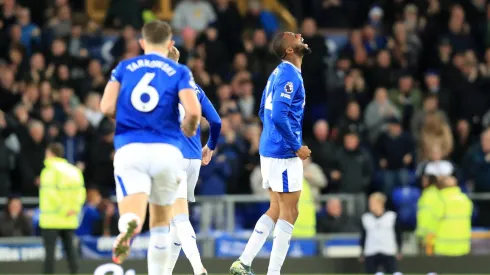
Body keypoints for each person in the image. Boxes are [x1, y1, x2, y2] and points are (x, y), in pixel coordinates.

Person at [99, 20, 202, 275]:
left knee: (133, 211)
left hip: (130, 148)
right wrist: (188, 129)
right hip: (166, 151)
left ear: (142, 43)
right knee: (160, 223)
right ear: (170, 44)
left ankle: (129, 225)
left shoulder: (123, 68)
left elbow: (106, 107)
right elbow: (193, 112)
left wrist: (127, 118)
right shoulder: (179, 72)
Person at [230, 31, 312, 275]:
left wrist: (271, 139)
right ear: (289, 50)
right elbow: (276, 114)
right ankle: (273, 272)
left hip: (270, 149)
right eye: (294, 36)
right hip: (283, 152)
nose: (299, 35)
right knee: (291, 211)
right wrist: (294, 144)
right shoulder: (289, 76)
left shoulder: (277, 73)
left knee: (276, 208)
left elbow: (262, 111)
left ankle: (243, 261)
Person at [164, 47, 222, 275]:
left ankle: (198, 268)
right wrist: (211, 147)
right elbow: (216, 121)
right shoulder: (193, 87)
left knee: (179, 216)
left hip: (173, 157)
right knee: (175, 221)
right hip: (194, 158)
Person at [39, 143, 86, 274]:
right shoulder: (74, 171)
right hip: (69, 218)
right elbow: (80, 192)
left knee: (50, 254)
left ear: (50, 154)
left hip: (51, 219)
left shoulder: (49, 171)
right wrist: (74, 209)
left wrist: (63, 208)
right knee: (71, 251)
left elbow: (51, 193)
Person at [427, 176, 472, 256]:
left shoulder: (440, 200)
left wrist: (429, 242)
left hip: (443, 248)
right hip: (462, 247)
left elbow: (432, 224)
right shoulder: (465, 200)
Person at [360, 192, 402, 274]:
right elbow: (363, 236)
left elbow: (398, 234)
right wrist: (362, 252)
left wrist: (399, 249)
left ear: (380, 203)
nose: (370, 205)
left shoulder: (391, 216)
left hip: (388, 251)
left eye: (372, 203)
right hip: (371, 252)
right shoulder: (366, 218)